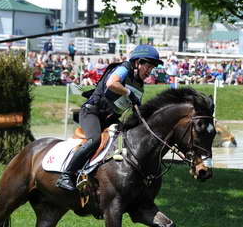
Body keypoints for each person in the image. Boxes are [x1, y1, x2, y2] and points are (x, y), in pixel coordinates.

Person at [56, 44, 163, 191]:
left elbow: (134, 109)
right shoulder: (124, 68)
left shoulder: (139, 85)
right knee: (94, 140)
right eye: (148, 67)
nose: (150, 72)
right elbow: (111, 83)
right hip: (92, 112)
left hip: (110, 119)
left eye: (152, 68)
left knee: (126, 140)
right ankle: (66, 175)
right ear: (138, 62)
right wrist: (128, 93)